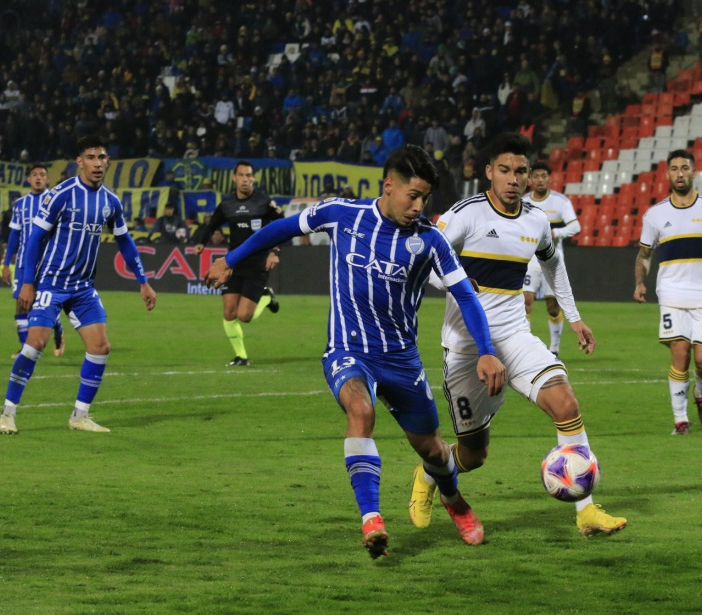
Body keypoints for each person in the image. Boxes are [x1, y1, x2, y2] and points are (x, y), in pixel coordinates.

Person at [204, 146, 506, 558]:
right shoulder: (343, 214)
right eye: (412, 196)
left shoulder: (430, 239)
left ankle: (453, 498)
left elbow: (465, 295)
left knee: (433, 450)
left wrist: (486, 350)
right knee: (360, 412)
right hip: (347, 350)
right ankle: (372, 520)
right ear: (389, 186)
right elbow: (279, 229)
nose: (418, 206)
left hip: (401, 359)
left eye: (425, 199)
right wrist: (232, 259)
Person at [410, 133, 627, 537]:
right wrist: (458, 284)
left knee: (565, 402)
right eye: (505, 170)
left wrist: (574, 317)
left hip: (514, 335)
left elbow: (553, 265)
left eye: (521, 171)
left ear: (530, 176)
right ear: (489, 173)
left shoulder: (536, 221)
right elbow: (427, 258)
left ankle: (586, 511)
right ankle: (428, 475)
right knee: (474, 456)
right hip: (466, 346)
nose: (513, 179)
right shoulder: (464, 215)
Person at [0, 135, 157, 435]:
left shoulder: (110, 201)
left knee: (100, 346)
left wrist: (143, 282)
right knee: (35, 345)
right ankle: (7, 414)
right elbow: (34, 240)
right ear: (80, 161)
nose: (98, 163)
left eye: (102, 157)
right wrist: (28, 282)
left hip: (83, 287)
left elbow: (125, 241)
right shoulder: (61, 194)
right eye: (91, 157)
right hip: (52, 283)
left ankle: (79, 416)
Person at [634, 149, 702, 435]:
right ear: (667, 174)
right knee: (680, 355)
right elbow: (644, 254)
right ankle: (680, 420)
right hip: (671, 295)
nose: (680, 173)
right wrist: (639, 282)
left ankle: (701, 394)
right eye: (674, 169)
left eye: (685, 168)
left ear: (695, 172)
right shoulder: (655, 215)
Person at [193, 161, 281, 366]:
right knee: (229, 312)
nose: (245, 179)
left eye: (249, 175)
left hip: (258, 263)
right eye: (241, 175)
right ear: (234, 178)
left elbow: (281, 225)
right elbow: (211, 225)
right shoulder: (227, 205)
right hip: (233, 263)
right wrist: (201, 243)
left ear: (253, 178)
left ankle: (266, 297)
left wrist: (274, 251)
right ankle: (241, 356)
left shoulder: (264, 203)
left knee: (244, 316)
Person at [0, 164, 65, 359]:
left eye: (42, 175)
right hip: (23, 264)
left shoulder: (55, 201)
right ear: (29, 179)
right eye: (34, 175)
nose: (38, 178)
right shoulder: (20, 204)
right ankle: (25, 348)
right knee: (21, 304)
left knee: (47, 303)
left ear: (47, 180)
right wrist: (5, 263)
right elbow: (14, 235)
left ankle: (58, 332)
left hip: (48, 263)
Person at [521, 160, 581, 355]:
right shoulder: (523, 202)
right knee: (525, 302)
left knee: (553, 307)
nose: (540, 180)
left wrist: (555, 233)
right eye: (536, 176)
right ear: (529, 179)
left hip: (552, 261)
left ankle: (554, 348)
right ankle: (526, 348)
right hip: (530, 261)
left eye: (544, 176)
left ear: (549, 178)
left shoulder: (561, 202)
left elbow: (575, 227)